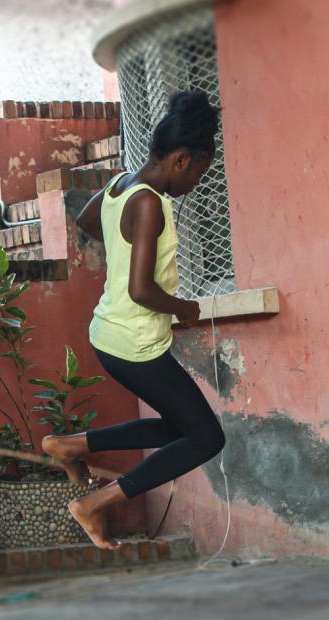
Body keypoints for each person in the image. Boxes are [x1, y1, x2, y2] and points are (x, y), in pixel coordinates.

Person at [40, 91, 227, 550]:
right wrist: (185, 308)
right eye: (199, 172)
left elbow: (87, 221)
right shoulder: (148, 203)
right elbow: (141, 291)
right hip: (134, 342)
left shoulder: (121, 185)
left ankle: (71, 446)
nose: (197, 183)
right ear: (181, 159)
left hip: (110, 332)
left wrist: (123, 249)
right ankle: (95, 504)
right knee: (206, 437)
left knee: (178, 426)